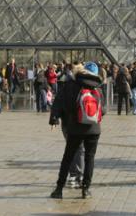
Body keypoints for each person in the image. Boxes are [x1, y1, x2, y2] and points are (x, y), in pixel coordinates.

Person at [49, 61, 104, 199]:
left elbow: (61, 103)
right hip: (94, 129)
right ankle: (86, 190)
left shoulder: (71, 85)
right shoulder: (97, 86)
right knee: (89, 159)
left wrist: (57, 118)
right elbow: (103, 110)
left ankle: (59, 190)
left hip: (75, 127)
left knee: (67, 158)